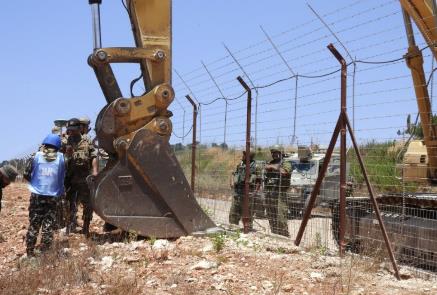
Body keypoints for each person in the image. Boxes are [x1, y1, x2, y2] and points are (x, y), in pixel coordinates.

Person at [25, 134, 65, 256]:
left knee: (34, 224)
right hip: (53, 197)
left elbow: (26, 174)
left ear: (44, 144)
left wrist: (36, 184)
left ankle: (30, 252)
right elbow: (64, 177)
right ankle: (45, 253)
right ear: (58, 146)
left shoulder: (35, 157)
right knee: (48, 225)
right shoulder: (63, 159)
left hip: (37, 196)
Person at [65, 118, 98, 236]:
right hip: (71, 178)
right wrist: (67, 154)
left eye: (73, 130)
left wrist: (95, 171)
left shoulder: (87, 140)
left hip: (84, 178)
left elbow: (93, 156)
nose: (71, 132)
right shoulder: (68, 140)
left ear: (79, 129)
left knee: (88, 203)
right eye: (69, 130)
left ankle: (86, 227)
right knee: (70, 203)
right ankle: (70, 226)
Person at [228, 151, 261, 230]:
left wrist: (255, 193)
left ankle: (247, 229)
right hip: (237, 193)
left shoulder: (256, 166)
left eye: (244, 154)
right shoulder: (240, 164)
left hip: (248, 194)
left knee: (247, 213)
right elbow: (234, 174)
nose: (242, 156)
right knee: (234, 212)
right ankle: (233, 228)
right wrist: (232, 182)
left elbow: (258, 181)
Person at [264, 145, 291, 237]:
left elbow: (285, 171)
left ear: (281, 153)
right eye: (273, 153)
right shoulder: (270, 162)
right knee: (271, 215)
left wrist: (275, 167)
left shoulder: (286, 162)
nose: (274, 154)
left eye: (276, 152)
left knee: (281, 217)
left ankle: (284, 236)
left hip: (280, 193)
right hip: (269, 193)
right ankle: (274, 234)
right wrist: (271, 166)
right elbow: (264, 168)